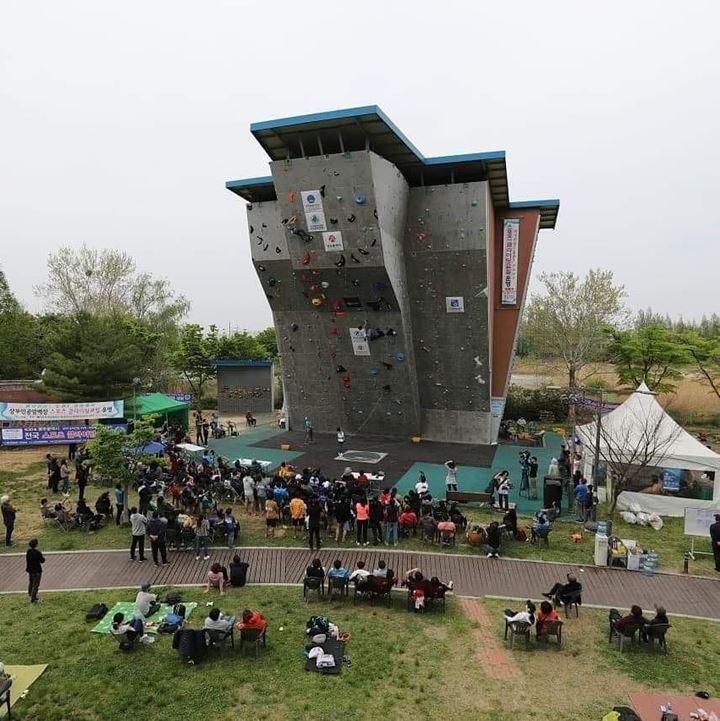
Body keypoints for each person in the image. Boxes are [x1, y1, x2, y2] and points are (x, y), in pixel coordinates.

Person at [26, 538, 45, 603]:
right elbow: (42, 560)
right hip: (37, 570)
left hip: (30, 570)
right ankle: (33, 598)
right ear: (36, 545)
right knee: (36, 584)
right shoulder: (37, 552)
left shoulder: (28, 551)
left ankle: (30, 594)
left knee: (31, 582)